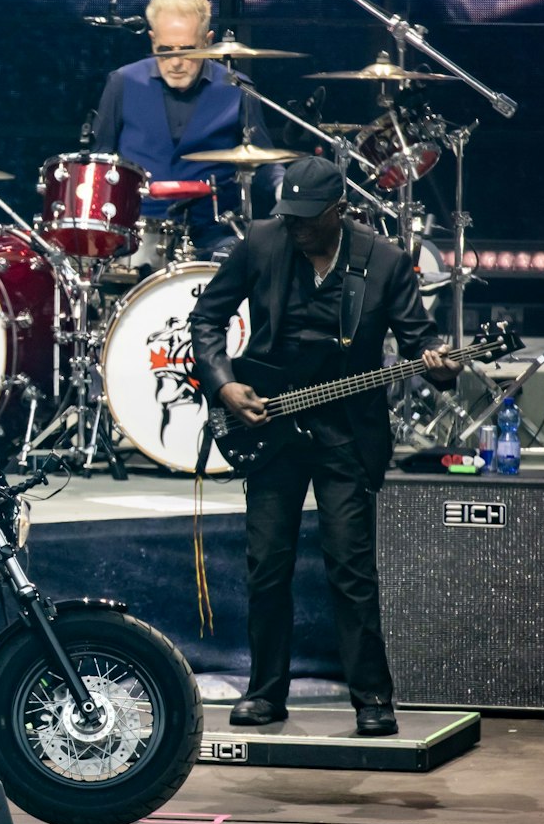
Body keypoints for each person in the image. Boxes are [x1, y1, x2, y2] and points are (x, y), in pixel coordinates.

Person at [189, 156, 459, 737]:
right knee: (267, 565)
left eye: (308, 218)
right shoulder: (262, 241)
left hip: (346, 433)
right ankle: (264, 693)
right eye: (289, 215)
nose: (296, 227)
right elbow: (207, 318)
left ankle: (372, 697)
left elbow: (421, 344)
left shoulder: (384, 261)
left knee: (350, 567)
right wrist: (225, 383)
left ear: (339, 211)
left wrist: (440, 365)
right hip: (271, 427)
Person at [90, 0, 279, 257]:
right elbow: (100, 161)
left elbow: (264, 163)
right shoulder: (123, 82)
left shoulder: (237, 88)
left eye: (188, 51)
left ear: (207, 41)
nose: (175, 62)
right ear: (152, 40)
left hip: (215, 236)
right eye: (164, 50)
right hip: (136, 237)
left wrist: (286, 186)